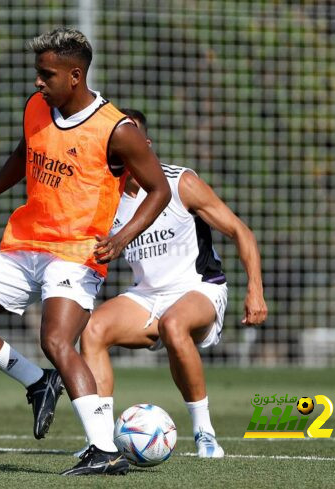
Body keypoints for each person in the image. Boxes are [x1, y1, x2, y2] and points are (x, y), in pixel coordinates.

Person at [0, 30, 171, 476]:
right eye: (37, 73)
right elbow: (27, 152)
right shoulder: (37, 107)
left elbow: (159, 190)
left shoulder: (117, 130)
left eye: (47, 74)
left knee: (56, 340)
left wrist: (121, 238)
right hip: (26, 243)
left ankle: (104, 450)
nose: (38, 82)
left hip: (78, 252)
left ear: (75, 75)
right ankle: (38, 382)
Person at [78, 109, 268, 458]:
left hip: (200, 289)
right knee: (92, 330)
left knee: (174, 323)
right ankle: (102, 441)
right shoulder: (108, 198)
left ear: (146, 145)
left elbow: (241, 231)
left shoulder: (182, 183)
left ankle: (204, 432)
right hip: (146, 296)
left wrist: (254, 289)